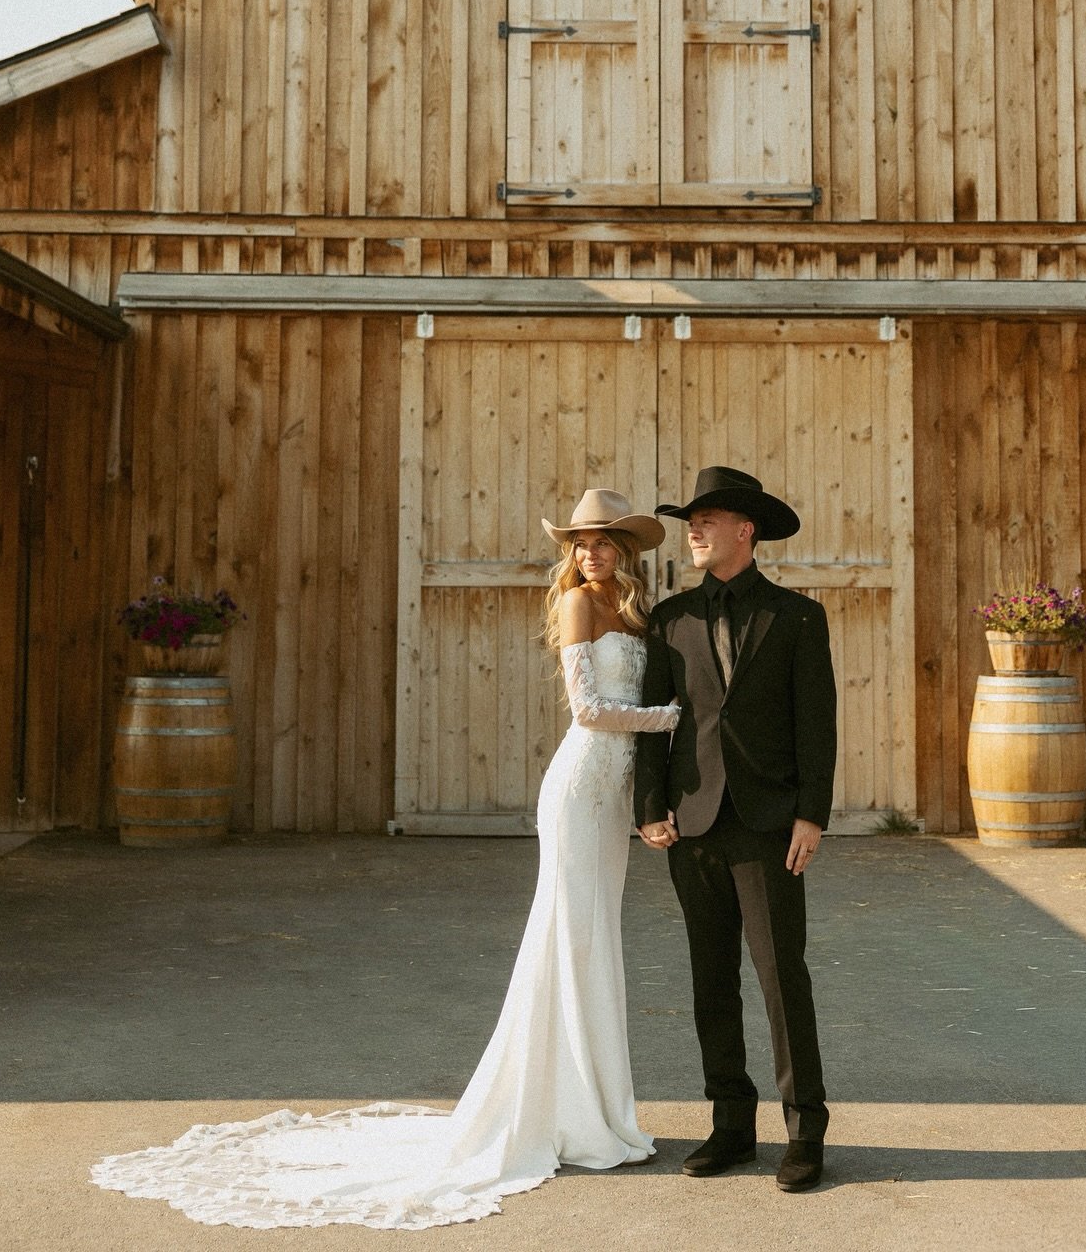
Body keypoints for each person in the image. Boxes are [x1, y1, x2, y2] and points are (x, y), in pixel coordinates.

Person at [90, 490, 679, 1232]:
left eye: (607, 542)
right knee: (566, 936)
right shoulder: (577, 608)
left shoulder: (636, 610)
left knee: (596, 941)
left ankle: (594, 1108)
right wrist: (671, 718)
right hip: (580, 785)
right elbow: (589, 710)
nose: (593, 553)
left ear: (626, 552)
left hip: (615, 796)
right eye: (583, 542)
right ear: (572, 551)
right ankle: (564, 1114)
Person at [634, 466, 836, 1194]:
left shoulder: (798, 619)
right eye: (691, 521)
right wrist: (648, 807)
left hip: (769, 825)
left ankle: (805, 1133)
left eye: (707, 519)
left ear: (745, 529)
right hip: (692, 826)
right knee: (710, 981)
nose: (693, 531)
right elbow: (655, 726)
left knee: (784, 979)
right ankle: (730, 1125)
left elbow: (818, 726)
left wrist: (812, 813)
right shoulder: (668, 619)